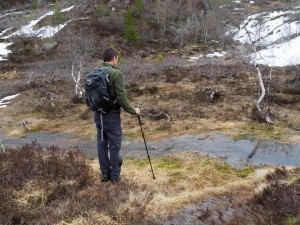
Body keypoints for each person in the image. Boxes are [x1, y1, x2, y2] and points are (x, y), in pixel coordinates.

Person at [94, 48, 141, 184]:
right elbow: (121, 98)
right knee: (114, 146)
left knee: (101, 145)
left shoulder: (95, 72)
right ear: (114, 58)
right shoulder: (116, 74)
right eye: (117, 58)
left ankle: (105, 175)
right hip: (111, 117)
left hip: (98, 115)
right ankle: (115, 178)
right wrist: (134, 111)